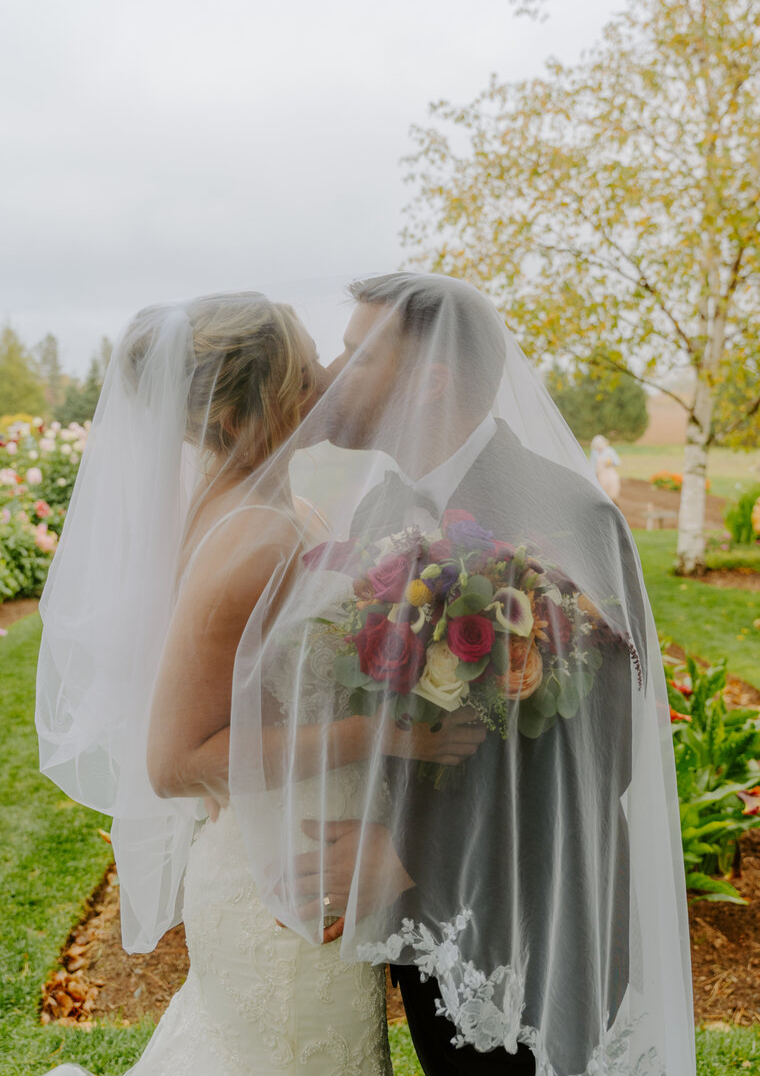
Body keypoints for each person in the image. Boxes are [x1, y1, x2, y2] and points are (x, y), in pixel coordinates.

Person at [228, 274, 696, 1076]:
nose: (329, 375)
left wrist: (407, 854)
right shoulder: (380, 510)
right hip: (430, 941)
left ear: (431, 378)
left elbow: (604, 755)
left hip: (540, 938)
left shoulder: (569, 516)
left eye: (355, 355)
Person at [36, 291, 481, 1075]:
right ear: (238, 416)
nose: (328, 382)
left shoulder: (274, 510)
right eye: (304, 376)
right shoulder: (255, 536)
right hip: (281, 883)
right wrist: (381, 733)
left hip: (292, 842)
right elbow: (174, 761)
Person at [590, 434, 621, 503]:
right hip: (600, 476)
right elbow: (592, 465)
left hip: (610, 475)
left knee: (612, 491)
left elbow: (617, 462)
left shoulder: (610, 451)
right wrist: (593, 475)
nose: (599, 448)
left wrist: (611, 462)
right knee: (602, 492)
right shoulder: (594, 453)